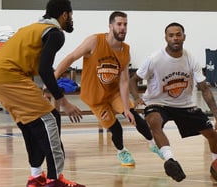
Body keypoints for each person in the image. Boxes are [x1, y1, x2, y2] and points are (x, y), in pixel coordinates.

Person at [0, 0, 86, 187]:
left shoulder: (30, 29)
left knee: (31, 124)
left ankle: (35, 176)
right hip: (9, 76)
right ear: (64, 14)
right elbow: (45, 69)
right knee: (51, 118)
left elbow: (9, 56)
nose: (71, 20)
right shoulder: (55, 33)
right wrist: (63, 101)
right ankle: (56, 178)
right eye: (71, 16)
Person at [54, 11, 162, 167]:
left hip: (114, 93)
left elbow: (124, 81)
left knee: (132, 115)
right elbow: (71, 57)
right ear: (110, 26)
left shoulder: (125, 50)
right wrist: (53, 78)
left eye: (125, 24)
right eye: (119, 24)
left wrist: (126, 108)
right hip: (96, 98)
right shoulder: (94, 41)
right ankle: (122, 151)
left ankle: (153, 144)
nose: (123, 28)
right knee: (116, 129)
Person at [129, 22, 217, 182]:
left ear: (184, 37)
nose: (175, 38)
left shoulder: (191, 59)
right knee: (154, 121)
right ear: (166, 38)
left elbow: (205, 89)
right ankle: (170, 161)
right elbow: (134, 80)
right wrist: (136, 97)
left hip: (184, 105)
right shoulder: (154, 59)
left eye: (178, 34)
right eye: (171, 35)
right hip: (157, 102)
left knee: (213, 136)